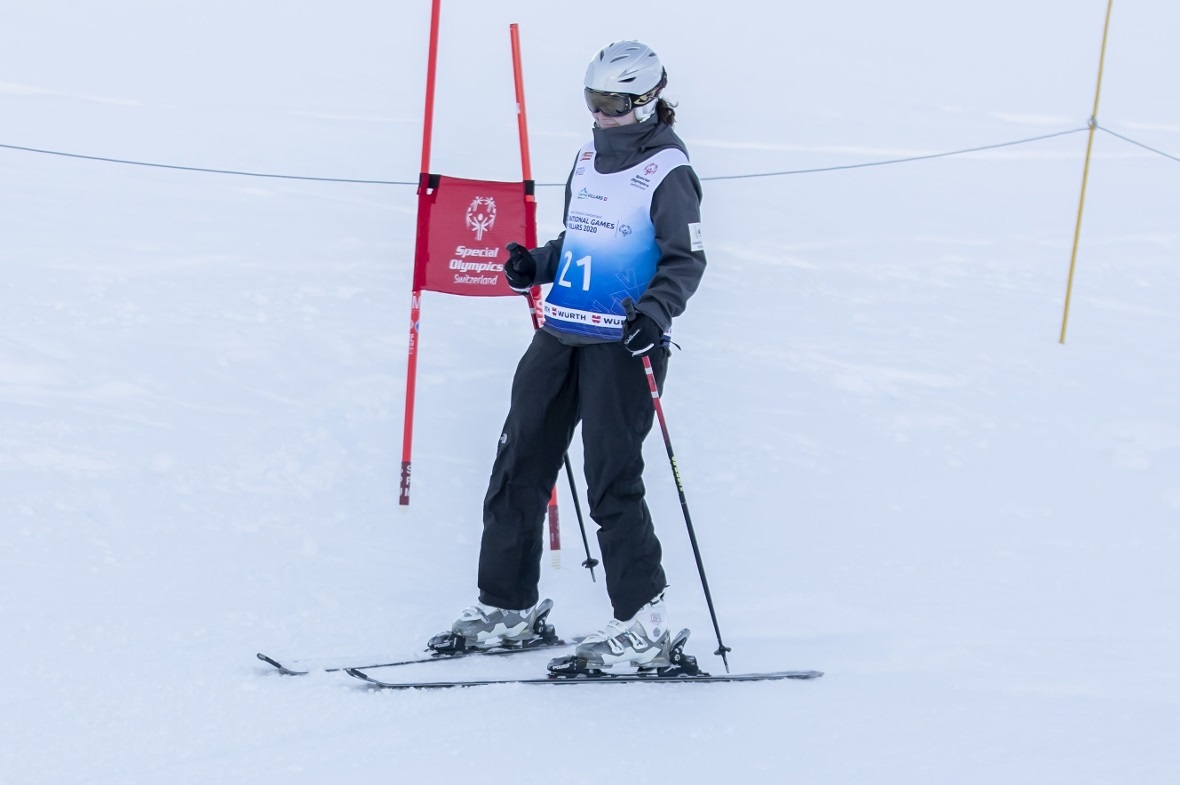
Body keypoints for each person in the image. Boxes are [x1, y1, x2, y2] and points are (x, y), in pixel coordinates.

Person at [444, 40, 707, 670]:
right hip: (560, 331)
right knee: (519, 463)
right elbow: (583, 236)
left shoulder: (668, 170)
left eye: (613, 102)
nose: (601, 114)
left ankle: (643, 624)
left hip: (622, 344)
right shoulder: (588, 156)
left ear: (646, 100)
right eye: (593, 100)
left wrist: (655, 312)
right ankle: (508, 607)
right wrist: (538, 263)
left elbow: (685, 258)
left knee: (611, 480)